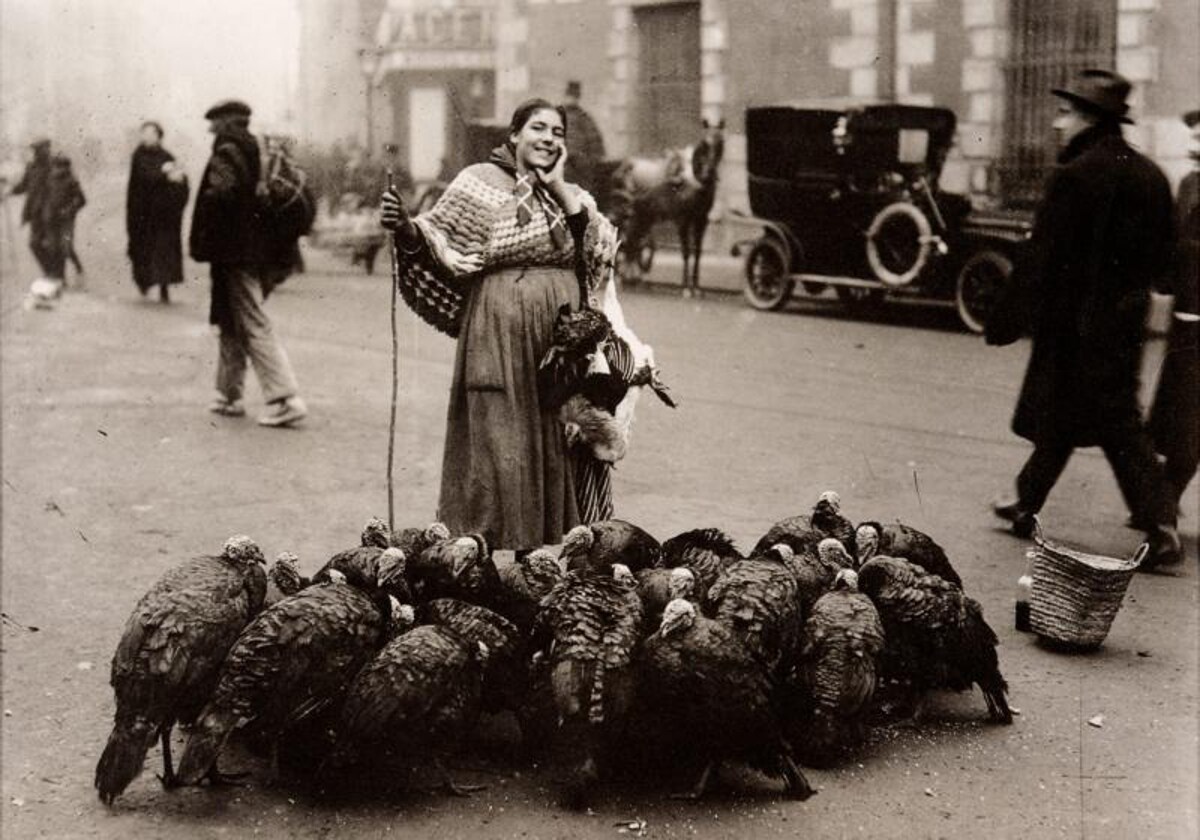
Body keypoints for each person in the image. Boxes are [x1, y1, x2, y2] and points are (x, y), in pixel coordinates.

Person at [380, 98, 619, 552]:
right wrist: (405, 227)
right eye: (537, 128)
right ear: (514, 135)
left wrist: (560, 185)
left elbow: (597, 250)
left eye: (557, 133)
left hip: (560, 343)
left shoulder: (570, 194)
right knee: (498, 442)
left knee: (555, 441)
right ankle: (483, 553)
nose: (548, 139)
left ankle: (537, 558)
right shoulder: (478, 183)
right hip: (499, 332)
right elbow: (436, 237)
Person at [986, 69, 1181, 569]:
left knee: (1111, 421)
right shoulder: (1151, 175)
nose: (1057, 123)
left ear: (1090, 118)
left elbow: (1042, 256)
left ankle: (1160, 525)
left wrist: (1006, 316)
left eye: (1066, 112)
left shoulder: (1075, 176)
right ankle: (1025, 502)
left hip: (1072, 322)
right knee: (1070, 414)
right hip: (1122, 321)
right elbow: (1166, 256)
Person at [189, 99, 307, 427]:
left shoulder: (227, 150)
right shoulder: (251, 146)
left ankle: (285, 398)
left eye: (214, 123)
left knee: (252, 320)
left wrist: (208, 235)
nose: (210, 129)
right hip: (250, 249)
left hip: (235, 251)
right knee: (230, 317)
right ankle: (228, 393)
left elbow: (221, 195)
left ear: (225, 123)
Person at [1148, 108, 1200, 511]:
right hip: (1187, 317)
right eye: (1193, 138)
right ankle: (1163, 502)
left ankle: (1162, 504)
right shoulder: (1188, 184)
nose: (1193, 147)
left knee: (1188, 420)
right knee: (1182, 419)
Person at [126, 121, 189, 302]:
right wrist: (164, 173)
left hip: (163, 215)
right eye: (144, 133)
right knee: (142, 248)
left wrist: (178, 180)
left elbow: (180, 179)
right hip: (142, 213)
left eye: (150, 133)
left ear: (159, 135)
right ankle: (144, 282)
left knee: (164, 250)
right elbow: (145, 176)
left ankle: (164, 286)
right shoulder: (138, 156)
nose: (146, 136)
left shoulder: (167, 155)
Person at [10, 138, 54, 277]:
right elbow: (23, 186)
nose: (37, 153)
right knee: (34, 244)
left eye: (41, 150)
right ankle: (50, 272)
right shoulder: (31, 167)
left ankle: (56, 275)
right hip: (35, 212)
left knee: (54, 245)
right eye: (36, 151)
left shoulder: (54, 166)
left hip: (51, 212)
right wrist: (9, 190)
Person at [40, 154, 86, 283]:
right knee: (54, 247)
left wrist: (69, 209)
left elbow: (81, 199)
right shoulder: (49, 179)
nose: (56, 170)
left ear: (66, 168)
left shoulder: (72, 180)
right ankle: (61, 277)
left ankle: (77, 266)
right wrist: (46, 212)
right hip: (51, 219)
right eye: (55, 167)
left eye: (60, 167)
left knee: (66, 247)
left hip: (66, 220)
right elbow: (45, 197)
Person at [560, 80, 606, 196]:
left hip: (578, 163)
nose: (571, 99)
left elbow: (594, 139)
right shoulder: (558, 115)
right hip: (566, 161)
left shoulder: (584, 117)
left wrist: (596, 157)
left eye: (574, 96)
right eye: (570, 96)